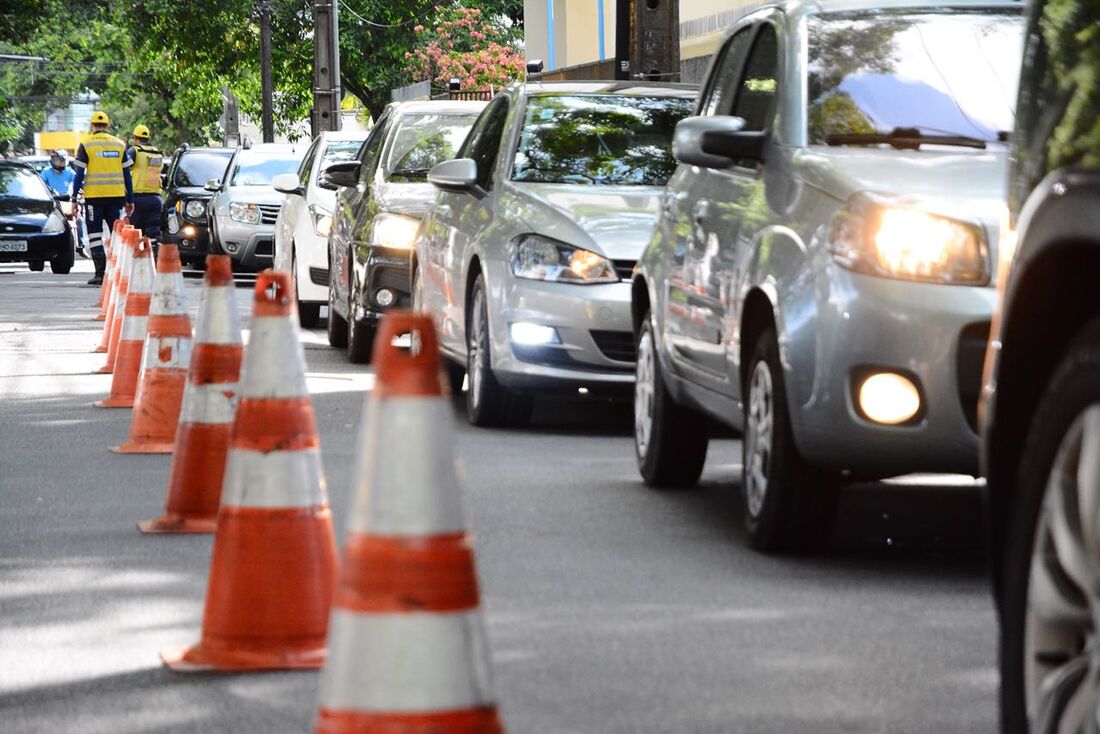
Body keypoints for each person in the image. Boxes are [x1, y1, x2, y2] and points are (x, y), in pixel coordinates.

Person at [72, 110, 133, 286]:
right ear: (107, 125)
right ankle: (117, 272)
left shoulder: (86, 144)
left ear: (92, 125)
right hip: (116, 197)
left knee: (95, 235)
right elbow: (127, 174)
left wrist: (74, 198)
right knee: (117, 235)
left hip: (94, 198)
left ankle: (100, 274)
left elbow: (79, 174)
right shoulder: (119, 144)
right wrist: (130, 199)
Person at [40, 150, 88, 258]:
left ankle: (81, 245)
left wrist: (79, 195)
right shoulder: (46, 172)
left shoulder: (70, 172)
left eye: (62, 161)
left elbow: (78, 185)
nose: (59, 163)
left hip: (68, 201)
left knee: (79, 219)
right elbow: (42, 186)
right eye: (57, 161)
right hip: (52, 202)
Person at [125, 124, 163, 254]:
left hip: (139, 198)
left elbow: (124, 167)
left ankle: (138, 259)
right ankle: (153, 258)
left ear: (135, 138)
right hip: (156, 198)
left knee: (137, 231)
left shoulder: (134, 151)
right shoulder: (157, 152)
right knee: (154, 231)